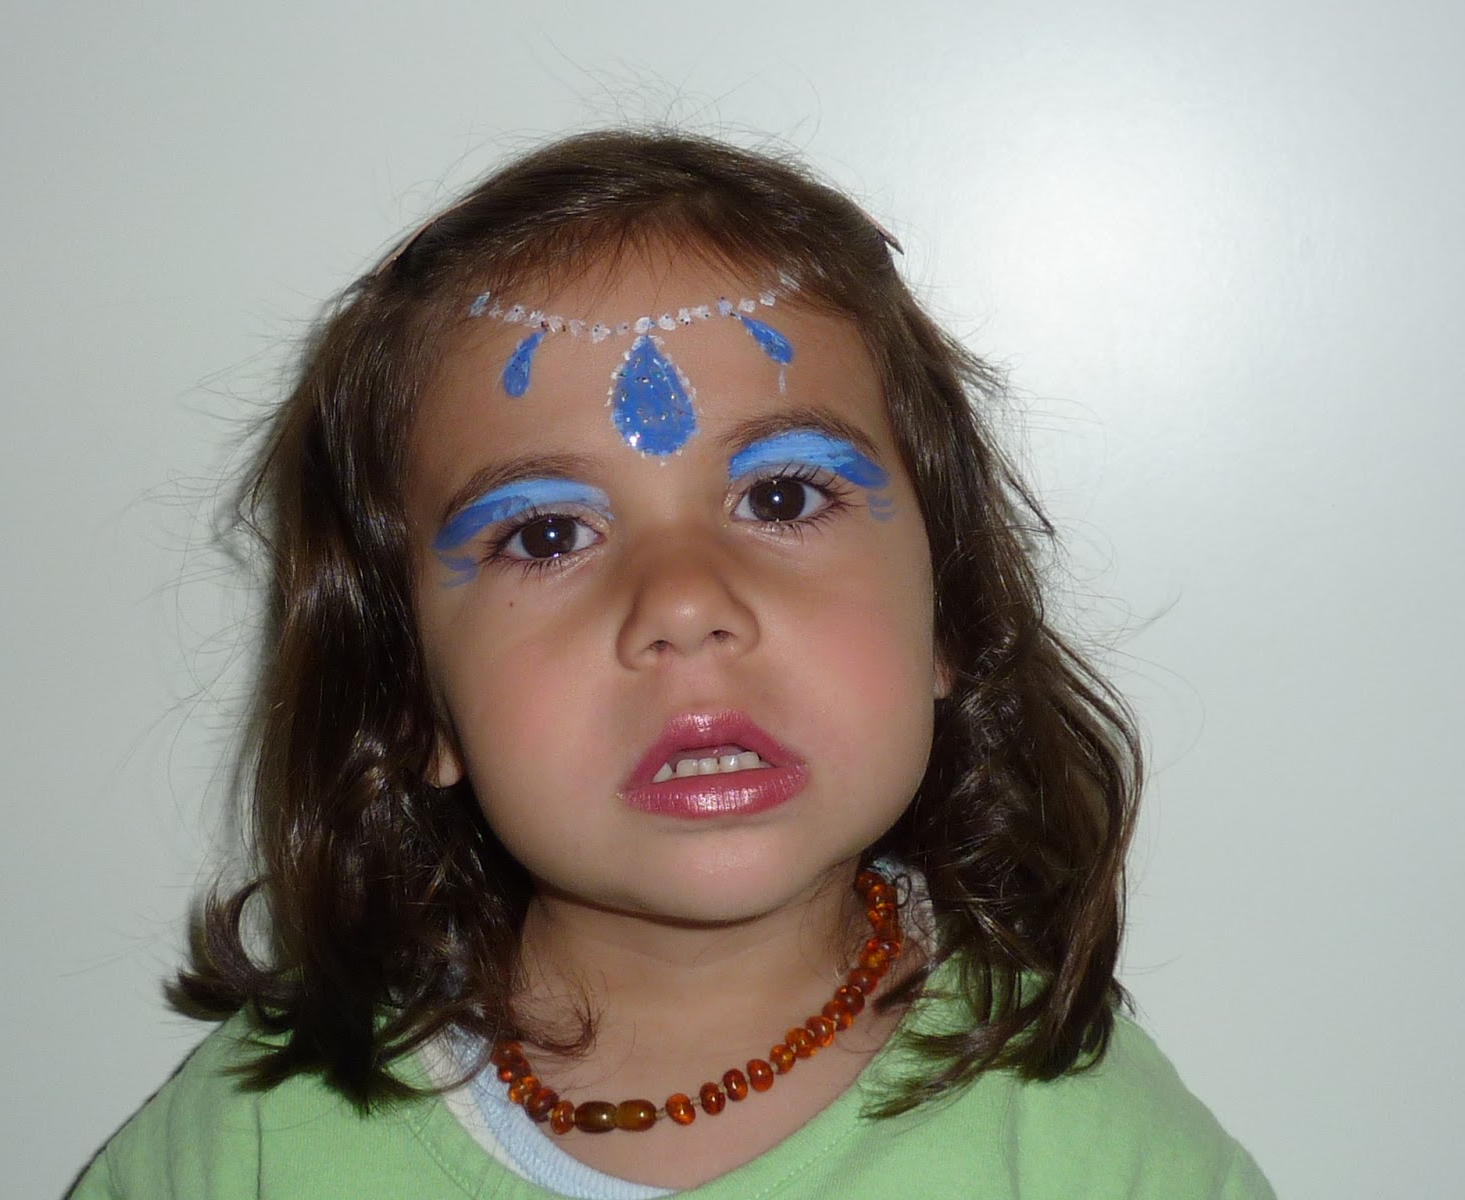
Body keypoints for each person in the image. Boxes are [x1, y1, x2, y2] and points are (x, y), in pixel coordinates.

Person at [68, 130, 1274, 1199]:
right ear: (409, 693)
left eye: (782, 496)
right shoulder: (252, 1147)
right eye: (547, 534)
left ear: (947, 616)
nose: (684, 603)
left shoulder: (1095, 1153)